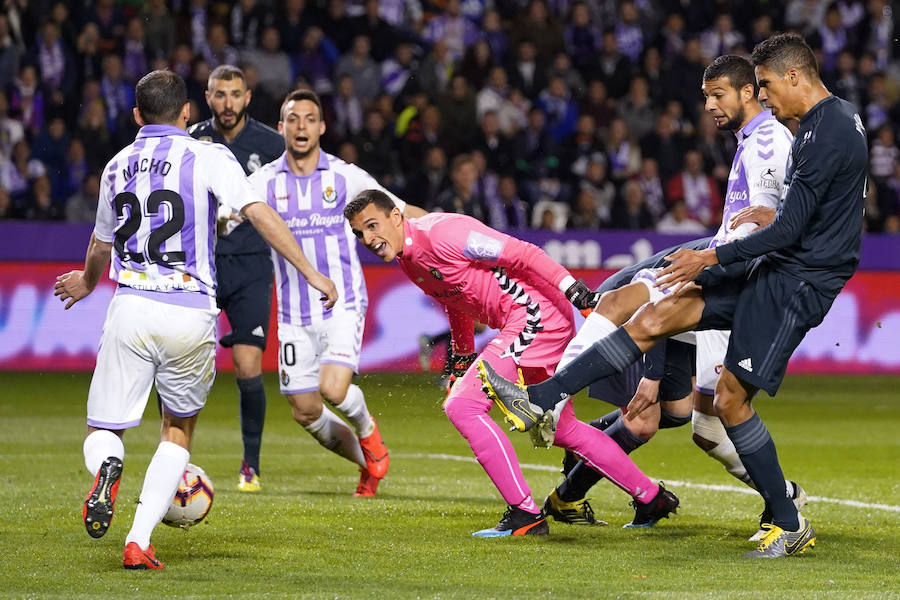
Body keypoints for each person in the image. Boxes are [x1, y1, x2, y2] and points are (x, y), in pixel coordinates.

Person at [479, 34, 868, 558]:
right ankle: (542, 399)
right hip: (774, 264)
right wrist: (762, 227)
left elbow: (795, 227)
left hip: (796, 281)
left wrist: (710, 256)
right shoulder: (825, 122)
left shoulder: (820, 132)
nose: (767, 96)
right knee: (655, 316)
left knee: (726, 404)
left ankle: (786, 515)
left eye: (768, 86)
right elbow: (801, 213)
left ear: (794, 77)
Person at [54, 70, 337, 570]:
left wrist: (86, 281)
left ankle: (109, 468)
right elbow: (258, 212)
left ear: (138, 115)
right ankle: (138, 542)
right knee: (177, 430)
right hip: (189, 311)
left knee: (103, 429)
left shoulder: (116, 166)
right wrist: (310, 271)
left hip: (132, 305)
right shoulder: (207, 156)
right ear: (188, 112)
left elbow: (101, 243)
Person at [345, 190, 680, 537]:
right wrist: (461, 358)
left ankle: (525, 514)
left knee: (463, 406)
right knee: (564, 429)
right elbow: (454, 297)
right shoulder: (408, 258)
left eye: (372, 226)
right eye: (359, 233)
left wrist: (572, 287)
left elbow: (522, 252)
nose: (368, 239)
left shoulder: (444, 232)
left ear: (396, 217)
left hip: (535, 317)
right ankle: (651, 498)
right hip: (531, 320)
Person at [248, 88, 425, 497]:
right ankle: (368, 463)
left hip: (342, 301)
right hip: (293, 312)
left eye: (310, 119)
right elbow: (224, 209)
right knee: (305, 410)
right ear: (281, 128)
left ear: (322, 127)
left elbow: (397, 209)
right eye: (293, 119)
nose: (301, 127)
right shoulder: (263, 182)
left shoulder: (345, 177)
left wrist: (446, 227)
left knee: (333, 389)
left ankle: (368, 433)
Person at [187, 65, 285, 493]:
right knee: (183, 366)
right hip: (201, 267)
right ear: (208, 97)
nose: (228, 103)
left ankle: (251, 464)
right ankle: (176, 459)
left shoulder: (272, 144)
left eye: (235, 94)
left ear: (248, 98)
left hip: (250, 266)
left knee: (247, 365)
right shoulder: (190, 141)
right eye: (219, 94)